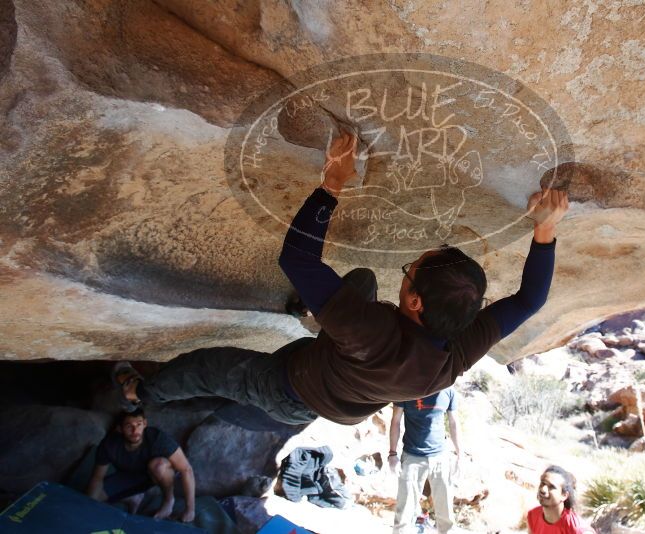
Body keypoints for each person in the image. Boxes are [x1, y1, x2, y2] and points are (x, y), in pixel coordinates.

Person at [115, 132, 569, 427]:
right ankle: (311, 312)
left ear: (414, 302)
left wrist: (331, 183)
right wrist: (544, 229)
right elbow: (529, 301)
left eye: (410, 272)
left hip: (288, 388)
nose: (407, 270)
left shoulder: (369, 330)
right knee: (364, 279)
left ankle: (142, 393)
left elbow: (297, 258)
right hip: (337, 381)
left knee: (210, 369)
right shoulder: (455, 353)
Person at [86, 408, 196, 523]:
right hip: (129, 476)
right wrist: (86, 503)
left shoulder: (157, 438)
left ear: (145, 424)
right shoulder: (109, 444)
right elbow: (97, 478)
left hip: (155, 475)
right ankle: (133, 497)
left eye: (139, 424)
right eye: (129, 426)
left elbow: (186, 469)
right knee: (92, 498)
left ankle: (169, 500)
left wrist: (190, 509)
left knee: (158, 465)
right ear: (120, 428)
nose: (135, 430)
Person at [389, 387, 461, 534]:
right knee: (403, 516)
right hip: (412, 457)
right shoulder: (406, 388)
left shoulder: (448, 390)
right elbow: (395, 421)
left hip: (440, 457)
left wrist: (461, 454)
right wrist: (392, 454)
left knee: (446, 516)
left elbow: (454, 423)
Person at [527, 465, 595, 534]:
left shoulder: (578, 529)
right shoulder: (533, 515)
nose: (543, 489)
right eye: (542, 483)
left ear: (564, 495)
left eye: (551, 487)